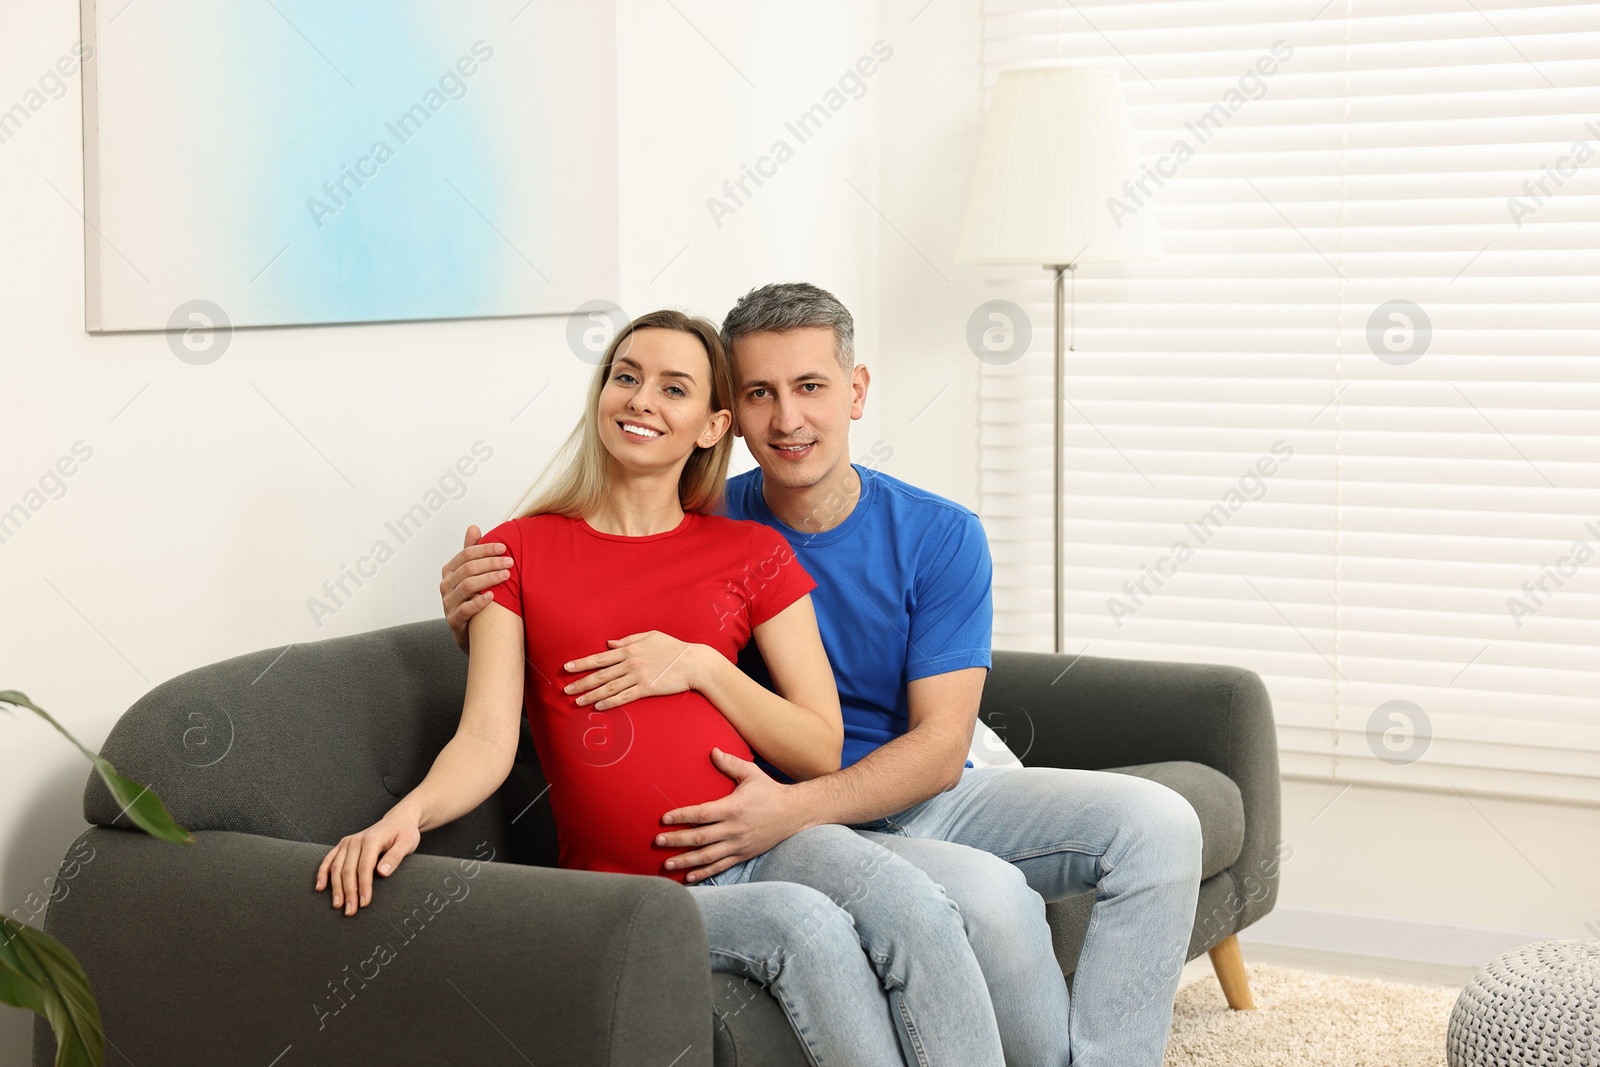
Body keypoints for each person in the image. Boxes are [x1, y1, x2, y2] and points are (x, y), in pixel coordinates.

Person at [441, 283, 1206, 1067]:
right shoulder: (705, 526)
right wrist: (481, 609)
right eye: (760, 394)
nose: (788, 419)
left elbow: (941, 749)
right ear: (729, 418)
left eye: (810, 387)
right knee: (990, 900)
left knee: (1160, 823)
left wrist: (787, 802)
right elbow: (581, 626)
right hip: (784, 812)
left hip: (911, 784)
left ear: (856, 390)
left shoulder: (939, 533)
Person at [315, 308, 1004, 1067]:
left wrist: (700, 664)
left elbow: (819, 746)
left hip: (763, 838)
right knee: (806, 927)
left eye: (673, 388)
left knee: (915, 905)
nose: (642, 399)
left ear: (713, 425)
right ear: (602, 394)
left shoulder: (753, 552)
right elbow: (485, 737)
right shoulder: (518, 551)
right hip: (636, 887)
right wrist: (407, 814)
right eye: (627, 377)